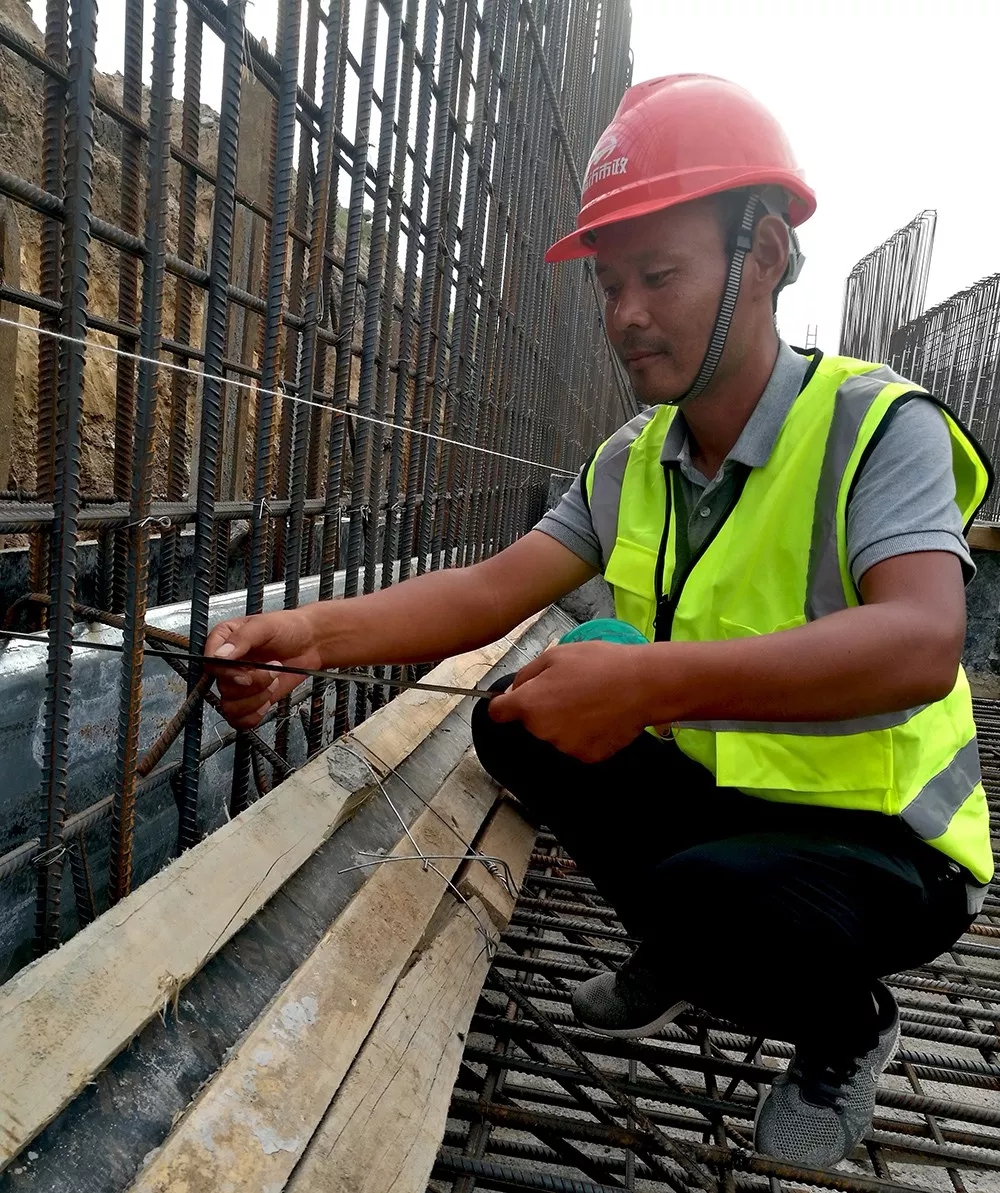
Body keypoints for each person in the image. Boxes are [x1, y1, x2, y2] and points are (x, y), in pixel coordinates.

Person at [206, 75, 993, 1170]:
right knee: (511, 723)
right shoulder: (635, 456)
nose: (623, 313)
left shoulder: (875, 426)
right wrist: (303, 638)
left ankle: (844, 1026)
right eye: (609, 283)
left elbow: (920, 644)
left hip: (881, 848)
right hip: (731, 795)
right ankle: (686, 942)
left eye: (658, 275)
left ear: (761, 257)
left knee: (712, 895)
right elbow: (488, 591)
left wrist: (650, 683)